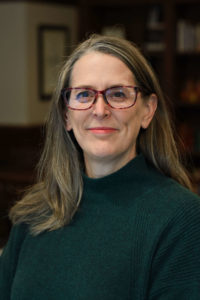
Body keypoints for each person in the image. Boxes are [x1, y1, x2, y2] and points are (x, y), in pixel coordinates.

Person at [1, 34, 200, 299]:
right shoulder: (35, 212)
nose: (100, 109)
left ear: (147, 111)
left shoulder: (182, 218)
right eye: (84, 94)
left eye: (117, 94)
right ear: (66, 114)